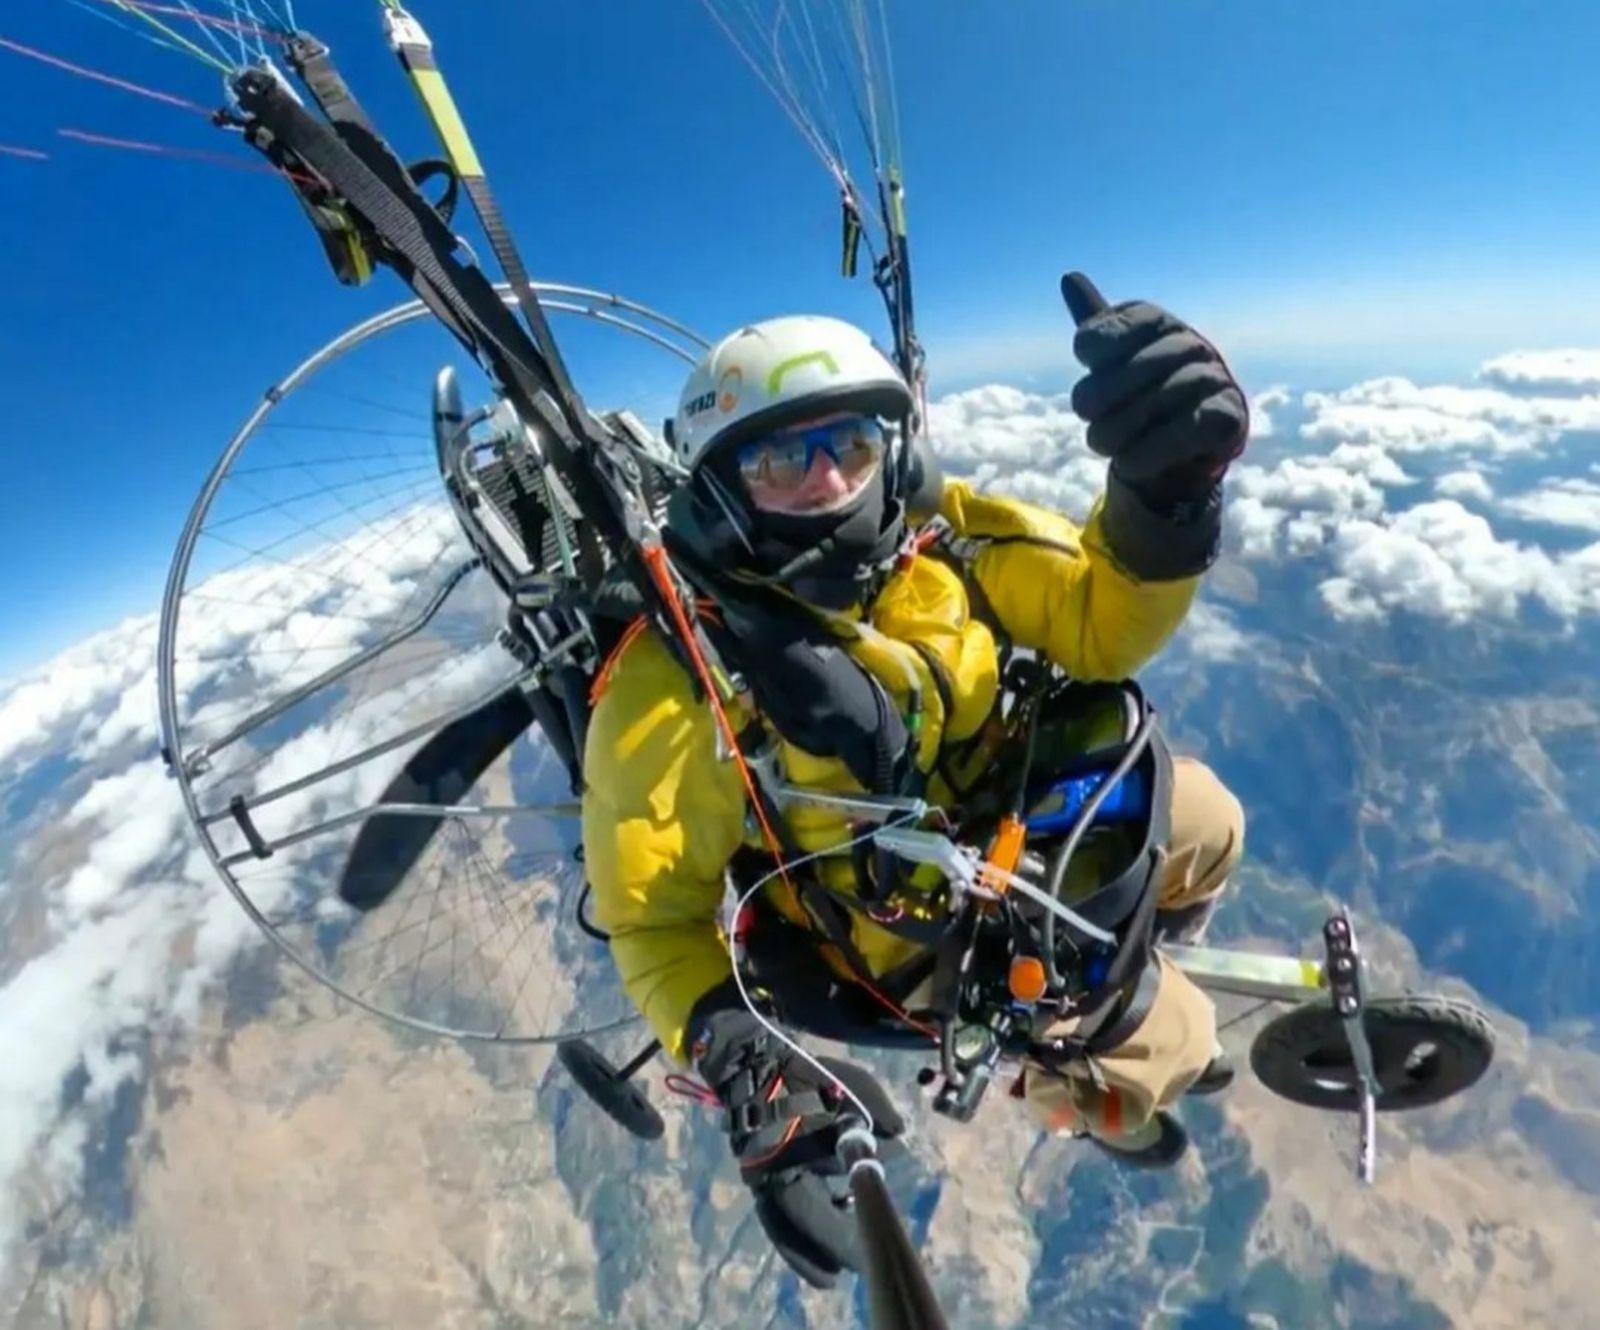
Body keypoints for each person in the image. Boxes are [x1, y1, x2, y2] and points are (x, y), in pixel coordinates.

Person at [581, 280, 1249, 1289]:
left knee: (1209, 821)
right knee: (1173, 1041)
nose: (824, 485)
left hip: (1011, 821)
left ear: (892, 451)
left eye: (846, 446)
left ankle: (1117, 966)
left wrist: (1165, 503)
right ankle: (1078, 1073)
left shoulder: (943, 548)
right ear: (720, 494)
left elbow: (1100, 621)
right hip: (895, 934)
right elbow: (652, 917)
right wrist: (749, 1069)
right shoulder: (679, 680)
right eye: (776, 461)